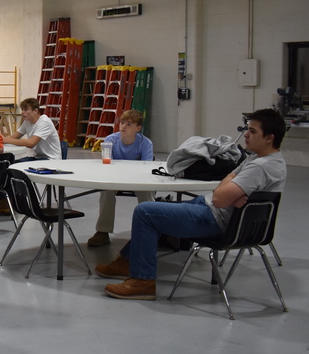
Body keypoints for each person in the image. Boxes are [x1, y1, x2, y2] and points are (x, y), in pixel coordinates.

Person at [96, 108, 287, 301]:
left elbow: (220, 197)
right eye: (248, 129)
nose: (246, 134)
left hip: (216, 219)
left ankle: (142, 281)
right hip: (211, 207)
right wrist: (230, 186)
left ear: (269, 138)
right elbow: (226, 180)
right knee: (162, 210)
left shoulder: (260, 167)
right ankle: (126, 261)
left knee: (145, 212)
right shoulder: (263, 160)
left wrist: (228, 186)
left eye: (253, 131)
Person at [87, 110, 155, 248]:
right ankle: (103, 231)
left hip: (138, 179)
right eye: (122, 122)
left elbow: (146, 167)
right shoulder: (110, 140)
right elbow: (107, 164)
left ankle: (152, 230)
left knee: (147, 191)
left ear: (138, 128)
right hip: (115, 178)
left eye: (129, 124)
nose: (123, 126)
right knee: (106, 190)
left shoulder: (146, 143)